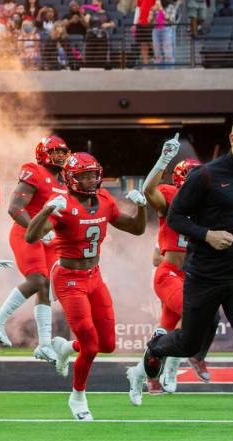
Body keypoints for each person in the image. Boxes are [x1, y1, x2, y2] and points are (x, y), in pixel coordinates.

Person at [137, 115, 233, 441]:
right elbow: (175, 218)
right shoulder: (206, 176)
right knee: (188, 343)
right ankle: (156, 347)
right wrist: (207, 235)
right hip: (205, 275)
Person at [25, 152, 147, 420]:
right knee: (90, 346)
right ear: (71, 178)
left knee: (108, 344)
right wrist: (47, 208)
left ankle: (65, 348)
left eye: (94, 174)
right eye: (85, 175)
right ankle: (77, 396)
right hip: (69, 279)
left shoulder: (104, 200)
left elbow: (136, 229)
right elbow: (31, 235)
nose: (92, 180)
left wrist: (142, 207)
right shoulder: (64, 204)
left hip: (94, 276)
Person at [128, 137, 217, 404]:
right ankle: (190, 358)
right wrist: (164, 160)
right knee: (198, 312)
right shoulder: (171, 196)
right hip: (169, 274)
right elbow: (148, 189)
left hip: (191, 275)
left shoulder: (206, 207)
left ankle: (142, 374)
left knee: (164, 333)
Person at [0, 136, 70, 361]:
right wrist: (39, 230)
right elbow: (14, 208)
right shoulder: (34, 172)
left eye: (63, 152)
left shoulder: (65, 181)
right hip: (27, 233)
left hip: (49, 237)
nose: (60, 156)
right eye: (55, 151)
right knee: (37, 281)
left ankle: (44, 345)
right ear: (43, 153)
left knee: (47, 287)